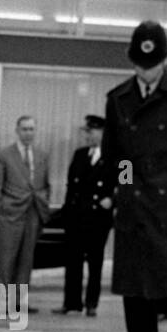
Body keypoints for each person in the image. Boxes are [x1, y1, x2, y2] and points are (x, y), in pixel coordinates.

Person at [101, 20, 167, 332]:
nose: (147, 73)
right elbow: (116, 155)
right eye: (140, 67)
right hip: (135, 206)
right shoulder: (118, 100)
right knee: (136, 282)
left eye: (153, 66)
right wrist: (127, 186)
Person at [0, 115, 49, 312]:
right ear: (17, 130)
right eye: (25, 129)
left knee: (26, 260)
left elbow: (45, 184)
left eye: (32, 129)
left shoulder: (41, 155)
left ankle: (19, 302)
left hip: (33, 213)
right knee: (7, 258)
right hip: (10, 215)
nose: (28, 133)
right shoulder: (3, 155)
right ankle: (4, 301)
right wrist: (3, 207)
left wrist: (43, 204)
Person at [54, 114, 111, 317]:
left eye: (92, 131)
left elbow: (128, 185)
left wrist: (113, 200)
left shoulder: (120, 157)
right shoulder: (79, 154)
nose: (88, 135)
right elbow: (72, 186)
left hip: (98, 218)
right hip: (77, 216)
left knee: (95, 262)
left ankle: (91, 303)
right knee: (73, 261)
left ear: (103, 132)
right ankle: (72, 303)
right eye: (87, 132)